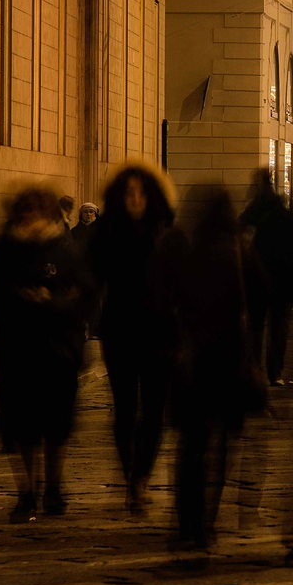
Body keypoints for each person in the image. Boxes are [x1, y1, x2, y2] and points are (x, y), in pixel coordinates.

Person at [0, 185, 92, 522]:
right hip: (18, 348)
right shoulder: (5, 248)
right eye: (24, 210)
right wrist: (22, 298)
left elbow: (82, 294)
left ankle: (55, 488)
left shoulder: (64, 247)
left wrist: (52, 301)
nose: (29, 216)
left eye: (35, 209)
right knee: (22, 425)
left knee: (57, 423)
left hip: (57, 348)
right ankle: (27, 491)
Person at [167, 188, 263, 555]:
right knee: (219, 446)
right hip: (227, 361)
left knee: (190, 446)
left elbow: (164, 297)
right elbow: (262, 297)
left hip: (190, 362)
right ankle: (206, 523)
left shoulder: (184, 249)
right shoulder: (238, 250)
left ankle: (185, 521)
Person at [88, 163, 180, 513]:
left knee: (155, 411)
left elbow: (182, 281)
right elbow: (89, 277)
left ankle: (141, 477)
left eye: (142, 193)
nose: (136, 199)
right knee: (125, 409)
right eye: (129, 193)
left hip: (161, 332)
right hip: (120, 330)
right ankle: (131, 476)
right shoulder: (107, 232)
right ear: (119, 196)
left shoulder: (167, 232)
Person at [240, 170, 293, 385]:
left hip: (256, 281)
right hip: (282, 282)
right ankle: (276, 373)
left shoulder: (250, 216)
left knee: (255, 327)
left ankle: (255, 370)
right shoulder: (285, 216)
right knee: (278, 329)